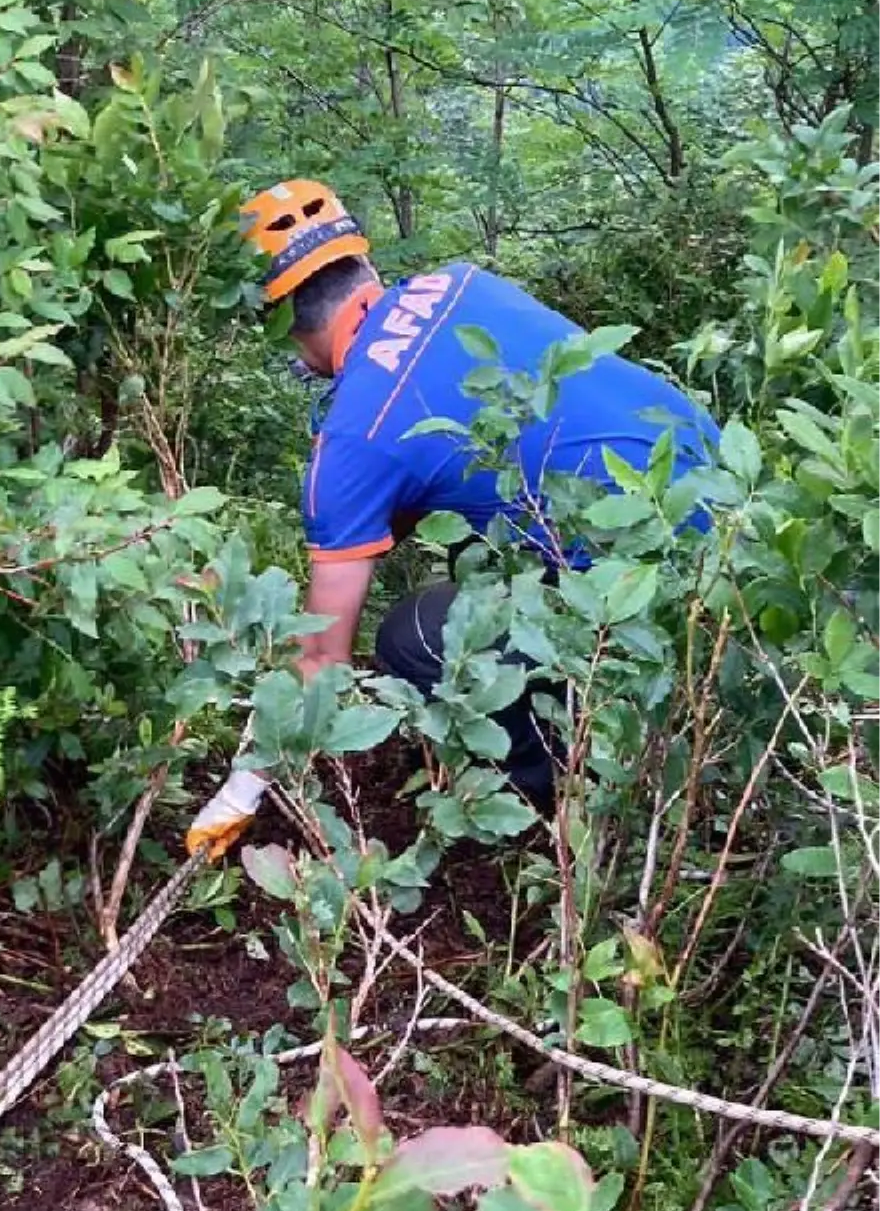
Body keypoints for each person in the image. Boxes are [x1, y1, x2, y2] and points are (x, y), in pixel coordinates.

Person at [186, 177, 718, 857]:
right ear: (365, 266)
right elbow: (391, 515)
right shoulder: (463, 286)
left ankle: (544, 806)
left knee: (413, 638)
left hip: (653, 585)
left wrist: (241, 790)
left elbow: (323, 660)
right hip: (721, 505)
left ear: (286, 321)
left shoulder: (352, 441)